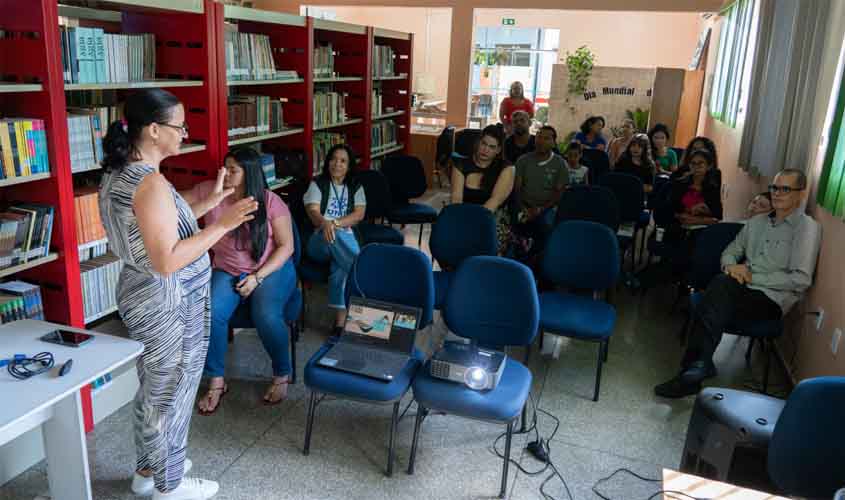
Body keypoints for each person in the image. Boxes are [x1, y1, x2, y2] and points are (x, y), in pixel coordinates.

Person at [99, 89, 257, 499]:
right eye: (179, 126)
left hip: (144, 294)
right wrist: (223, 225)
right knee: (172, 391)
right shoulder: (149, 182)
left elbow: (163, 224)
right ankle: (169, 485)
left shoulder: (122, 172)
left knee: (155, 388)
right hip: (166, 300)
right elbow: (167, 259)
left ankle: (148, 470)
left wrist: (212, 202)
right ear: (154, 130)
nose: (185, 134)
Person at [655, 169, 822, 398]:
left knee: (712, 297)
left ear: (800, 194)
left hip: (771, 299)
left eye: (785, 189)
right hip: (739, 288)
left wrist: (751, 276)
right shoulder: (757, 222)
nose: (777, 193)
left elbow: (801, 279)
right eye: (774, 187)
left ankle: (695, 369)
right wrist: (731, 266)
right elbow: (730, 252)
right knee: (720, 286)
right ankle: (696, 369)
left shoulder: (807, 228)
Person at [193, 148, 297, 416]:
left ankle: (282, 373)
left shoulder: (271, 201)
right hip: (227, 269)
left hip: (270, 269)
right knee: (211, 312)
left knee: (265, 314)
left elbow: (286, 246)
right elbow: (175, 204)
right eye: (225, 168)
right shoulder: (212, 192)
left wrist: (257, 277)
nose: (226, 174)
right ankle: (217, 380)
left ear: (248, 173)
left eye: (233, 170)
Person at [303, 144, 366, 336]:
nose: (337, 164)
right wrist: (326, 224)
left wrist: (335, 223)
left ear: (349, 166)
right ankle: (364, 274)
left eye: (343, 161)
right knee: (336, 237)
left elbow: (359, 214)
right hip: (319, 242)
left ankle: (340, 325)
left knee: (341, 267)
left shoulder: (355, 186)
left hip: (345, 241)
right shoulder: (317, 184)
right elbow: (313, 212)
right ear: (327, 162)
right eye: (333, 159)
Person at [451, 124, 515, 255]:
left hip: (492, 219)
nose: (485, 150)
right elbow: (456, 200)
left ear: (498, 150)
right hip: (463, 216)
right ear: (478, 143)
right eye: (484, 144)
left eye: (492, 147)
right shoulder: (460, 165)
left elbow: (494, 202)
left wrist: (471, 227)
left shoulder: (507, 168)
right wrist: (461, 224)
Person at [512, 125, 569, 255]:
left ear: (553, 143)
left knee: (546, 225)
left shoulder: (560, 164)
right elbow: (517, 189)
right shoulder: (523, 160)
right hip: (524, 206)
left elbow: (559, 193)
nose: (541, 141)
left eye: (546, 138)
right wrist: (523, 208)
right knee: (515, 222)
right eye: (539, 137)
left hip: (548, 208)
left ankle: (543, 257)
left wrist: (541, 209)